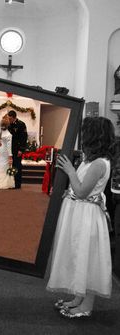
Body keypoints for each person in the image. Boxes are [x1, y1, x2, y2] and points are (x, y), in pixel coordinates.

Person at [46, 116, 116, 319]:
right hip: (79, 213)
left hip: (87, 216)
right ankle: (78, 298)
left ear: (94, 136)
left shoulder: (99, 164)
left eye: (86, 133)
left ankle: (86, 305)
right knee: (77, 254)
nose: (82, 136)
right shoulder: (90, 160)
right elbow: (76, 190)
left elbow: (82, 191)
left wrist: (69, 170)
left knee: (87, 257)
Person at [7, 110, 28, 189]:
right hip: (10, 149)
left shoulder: (21, 124)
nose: (9, 120)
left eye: (10, 118)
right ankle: (12, 182)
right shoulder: (9, 124)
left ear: (14, 117)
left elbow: (24, 138)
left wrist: (21, 149)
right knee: (11, 166)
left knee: (17, 166)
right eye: (8, 118)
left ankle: (17, 184)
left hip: (17, 149)